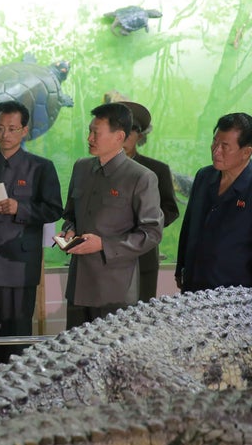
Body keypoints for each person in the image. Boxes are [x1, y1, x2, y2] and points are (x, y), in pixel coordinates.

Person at [0, 100, 63, 370]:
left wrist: (21, 208)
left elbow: (54, 209)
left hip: (19, 264)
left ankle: (15, 391)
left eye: (12, 129)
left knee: (17, 334)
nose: (5, 134)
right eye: (0, 128)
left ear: (25, 130)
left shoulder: (41, 167)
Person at [59, 103, 163, 329]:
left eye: (96, 132)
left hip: (114, 290)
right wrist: (69, 229)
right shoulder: (81, 168)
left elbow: (152, 233)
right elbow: (70, 214)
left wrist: (103, 245)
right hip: (77, 286)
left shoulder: (141, 177)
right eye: (89, 131)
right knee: (71, 357)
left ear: (119, 137)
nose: (89, 138)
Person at [175, 113, 252, 292]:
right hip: (194, 284)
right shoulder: (204, 176)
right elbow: (188, 226)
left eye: (225, 146)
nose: (216, 151)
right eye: (215, 142)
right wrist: (181, 268)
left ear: (246, 152)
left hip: (234, 294)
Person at [118, 101, 180, 302]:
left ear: (140, 135)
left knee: (140, 319)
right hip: (105, 258)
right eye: (120, 128)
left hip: (143, 256)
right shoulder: (93, 169)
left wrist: (146, 222)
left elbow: (171, 210)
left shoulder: (156, 169)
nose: (125, 135)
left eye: (132, 130)